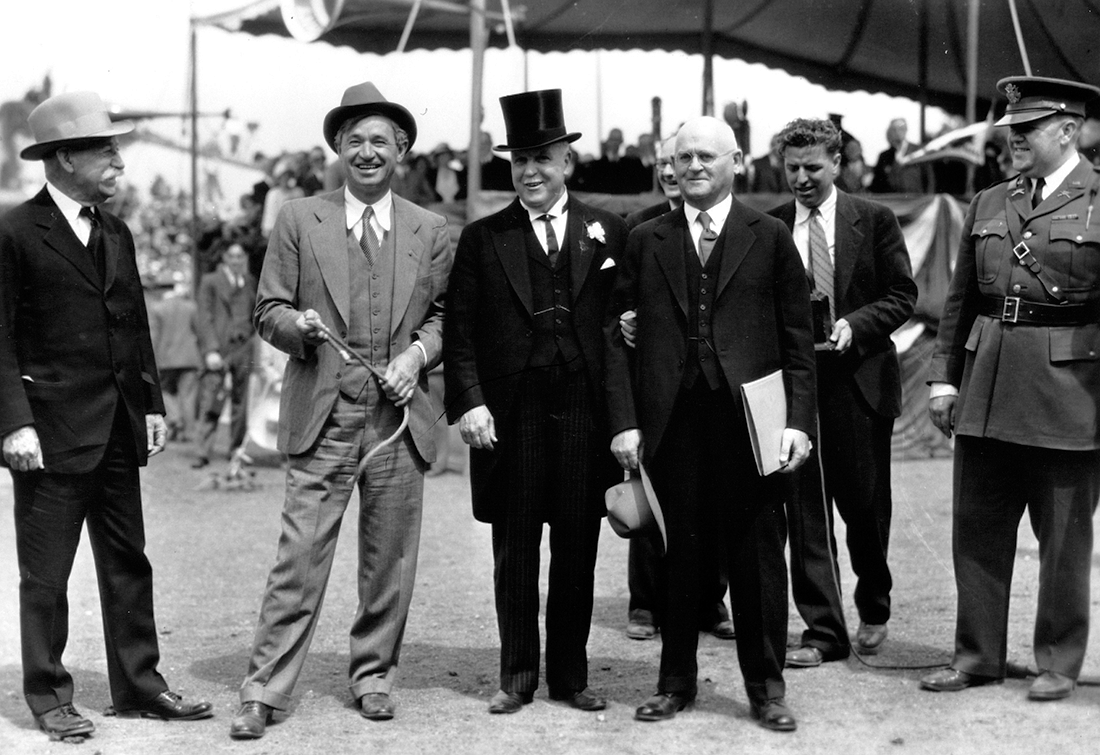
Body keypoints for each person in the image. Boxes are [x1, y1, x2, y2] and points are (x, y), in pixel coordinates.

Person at [229, 81, 452, 739]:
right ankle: (264, 688)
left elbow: (445, 318)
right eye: (353, 140)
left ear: (402, 150)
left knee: (390, 559)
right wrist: (296, 325)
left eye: (379, 140)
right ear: (337, 149)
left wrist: (415, 356)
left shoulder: (431, 229)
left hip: (397, 422)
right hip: (323, 415)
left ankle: (374, 675)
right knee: (299, 557)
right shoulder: (300, 218)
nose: (366, 151)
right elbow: (267, 309)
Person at [0, 91, 212, 742]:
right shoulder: (12, 232)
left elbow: (134, 325)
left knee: (128, 562)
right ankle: (49, 695)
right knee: (47, 574)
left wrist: (151, 402)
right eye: (105, 148)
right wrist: (14, 423)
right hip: (49, 432)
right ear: (64, 157)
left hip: (118, 426)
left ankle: (141, 687)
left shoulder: (116, 230)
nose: (119, 159)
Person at [605, 116, 816, 732]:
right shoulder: (648, 238)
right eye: (683, 158)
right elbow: (617, 336)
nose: (692, 167)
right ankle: (675, 683)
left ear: (737, 161)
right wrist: (625, 422)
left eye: (706, 156)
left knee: (757, 560)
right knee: (680, 557)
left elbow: (798, 341)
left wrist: (798, 422)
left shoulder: (771, 234)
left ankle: (766, 688)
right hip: (674, 423)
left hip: (751, 423)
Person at [443, 88, 627, 716]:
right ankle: (517, 675)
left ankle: (570, 678)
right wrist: (469, 403)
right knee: (515, 548)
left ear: (567, 163)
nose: (530, 172)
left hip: (584, 409)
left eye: (543, 158)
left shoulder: (609, 231)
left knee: (578, 546)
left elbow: (629, 322)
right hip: (510, 416)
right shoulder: (482, 238)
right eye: (520, 159)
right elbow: (459, 332)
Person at [920, 76, 1100, 702]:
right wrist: (943, 378)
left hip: (1070, 393)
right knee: (977, 529)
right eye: (1012, 130)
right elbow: (960, 302)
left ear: (1068, 130)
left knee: (1064, 543)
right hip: (987, 387)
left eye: (1026, 130)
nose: (1013, 139)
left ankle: (1056, 661)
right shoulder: (991, 201)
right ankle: (977, 656)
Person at [768, 118, 917, 668]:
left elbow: (903, 294)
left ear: (837, 164)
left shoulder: (873, 219)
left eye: (812, 168)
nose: (802, 179)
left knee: (865, 506)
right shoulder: (772, 225)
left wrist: (856, 322)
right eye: (791, 169)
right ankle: (823, 631)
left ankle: (873, 606)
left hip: (859, 383)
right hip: (797, 387)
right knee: (805, 510)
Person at [621, 131, 735, 643]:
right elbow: (622, 302)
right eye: (670, 162)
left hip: (715, 389)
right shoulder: (641, 228)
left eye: (687, 160)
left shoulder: (733, 226)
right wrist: (628, 319)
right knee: (653, 499)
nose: (676, 171)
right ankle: (645, 602)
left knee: (714, 505)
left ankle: (711, 600)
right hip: (662, 385)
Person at [192, 242, 257, 467]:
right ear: (224, 258)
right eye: (232, 256)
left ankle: (235, 450)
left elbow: (254, 314)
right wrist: (210, 350)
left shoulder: (249, 282)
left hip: (243, 349)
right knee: (212, 398)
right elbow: (204, 317)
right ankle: (202, 451)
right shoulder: (211, 281)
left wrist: (251, 337)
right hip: (219, 348)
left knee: (242, 401)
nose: (237, 261)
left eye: (240, 256)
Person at [148, 280, 202, 443]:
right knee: (188, 395)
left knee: (165, 392)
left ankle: (175, 419)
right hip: (189, 358)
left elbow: (154, 336)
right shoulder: (191, 307)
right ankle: (189, 432)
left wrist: (152, 361)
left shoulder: (157, 308)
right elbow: (199, 332)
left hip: (166, 359)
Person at [870, 117, 930, 194]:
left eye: (901, 129)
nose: (898, 132)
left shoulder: (918, 151)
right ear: (890, 132)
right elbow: (877, 184)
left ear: (906, 130)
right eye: (894, 129)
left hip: (916, 201)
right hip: (893, 202)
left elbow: (929, 179)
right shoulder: (884, 156)